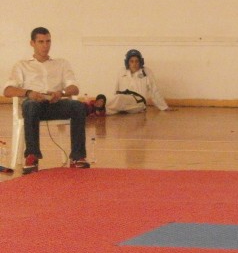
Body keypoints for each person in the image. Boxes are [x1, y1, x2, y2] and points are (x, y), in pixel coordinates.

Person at [3, 27, 91, 174]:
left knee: (79, 106)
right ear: (32, 43)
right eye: (41, 42)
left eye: (48, 41)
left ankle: (77, 157)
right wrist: (29, 93)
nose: (45, 45)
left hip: (56, 104)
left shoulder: (61, 64)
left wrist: (61, 93)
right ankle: (32, 156)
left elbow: (74, 88)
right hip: (34, 105)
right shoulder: (22, 65)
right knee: (31, 106)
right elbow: (7, 90)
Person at [103, 49, 171, 115]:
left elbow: (154, 91)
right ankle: (100, 111)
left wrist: (164, 107)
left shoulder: (146, 72)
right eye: (131, 61)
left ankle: (102, 108)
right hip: (123, 100)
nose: (134, 64)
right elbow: (115, 89)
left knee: (119, 99)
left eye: (137, 61)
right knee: (114, 104)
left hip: (139, 102)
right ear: (127, 62)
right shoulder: (121, 71)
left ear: (141, 62)